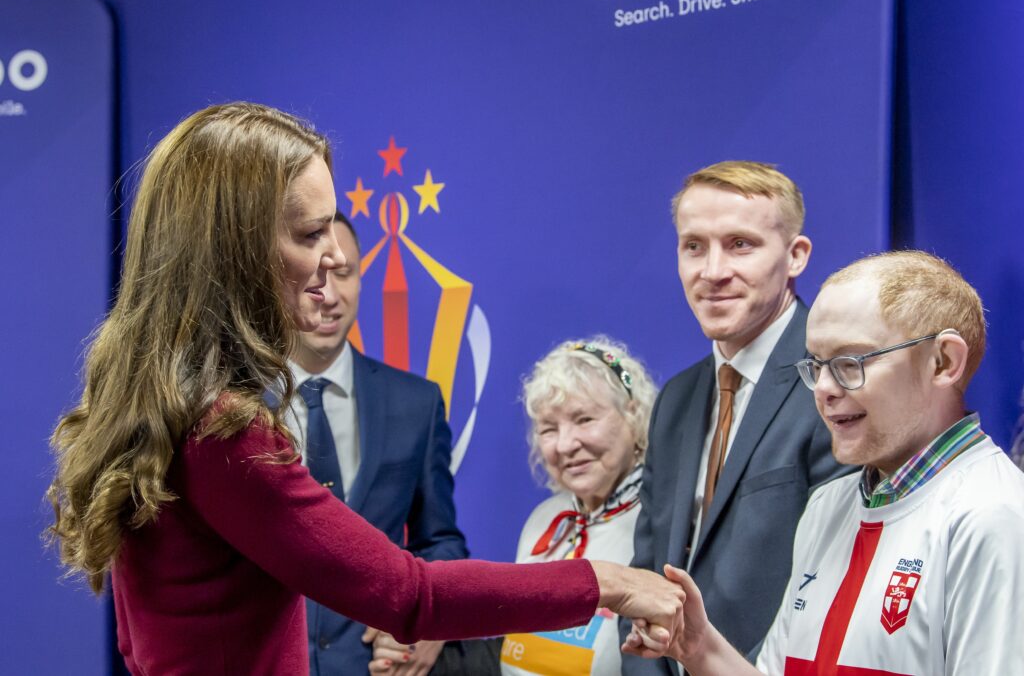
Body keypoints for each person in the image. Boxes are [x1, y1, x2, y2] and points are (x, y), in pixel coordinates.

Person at [44, 102, 686, 675]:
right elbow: (414, 596)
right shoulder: (223, 430)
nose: (334, 256)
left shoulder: (156, 406)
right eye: (308, 233)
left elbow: (136, 646)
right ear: (235, 254)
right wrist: (610, 582)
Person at [626, 251, 1024, 675]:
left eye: (851, 362)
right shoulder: (827, 505)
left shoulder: (993, 515)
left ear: (943, 361)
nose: (824, 389)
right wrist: (701, 649)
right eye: (816, 364)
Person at [622, 161, 850, 674]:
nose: (712, 271)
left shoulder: (839, 386)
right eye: (694, 246)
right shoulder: (677, 399)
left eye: (741, 244)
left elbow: (839, 584)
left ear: (796, 256)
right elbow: (645, 576)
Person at [283, 211, 468, 676]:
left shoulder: (417, 404)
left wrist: (432, 621)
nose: (329, 293)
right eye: (312, 275)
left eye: (343, 272)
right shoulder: (230, 406)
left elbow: (441, 541)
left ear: (362, 279)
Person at [498, 338, 658, 676]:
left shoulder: (661, 523)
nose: (566, 444)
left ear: (634, 416)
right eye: (549, 428)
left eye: (584, 419)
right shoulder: (543, 521)